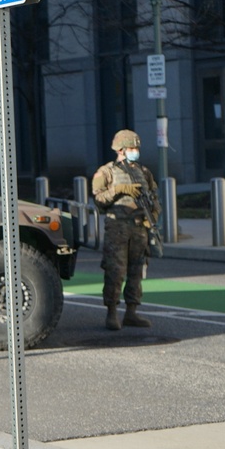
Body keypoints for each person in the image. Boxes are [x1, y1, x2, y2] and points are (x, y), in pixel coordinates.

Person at [91, 129, 161, 331]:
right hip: (117, 228)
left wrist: (153, 216)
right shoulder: (106, 172)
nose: (135, 151)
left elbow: (154, 197)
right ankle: (111, 312)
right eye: (132, 148)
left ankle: (132, 312)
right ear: (121, 149)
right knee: (115, 270)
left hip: (139, 228)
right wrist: (118, 190)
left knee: (137, 270)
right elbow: (99, 200)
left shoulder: (144, 172)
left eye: (136, 148)